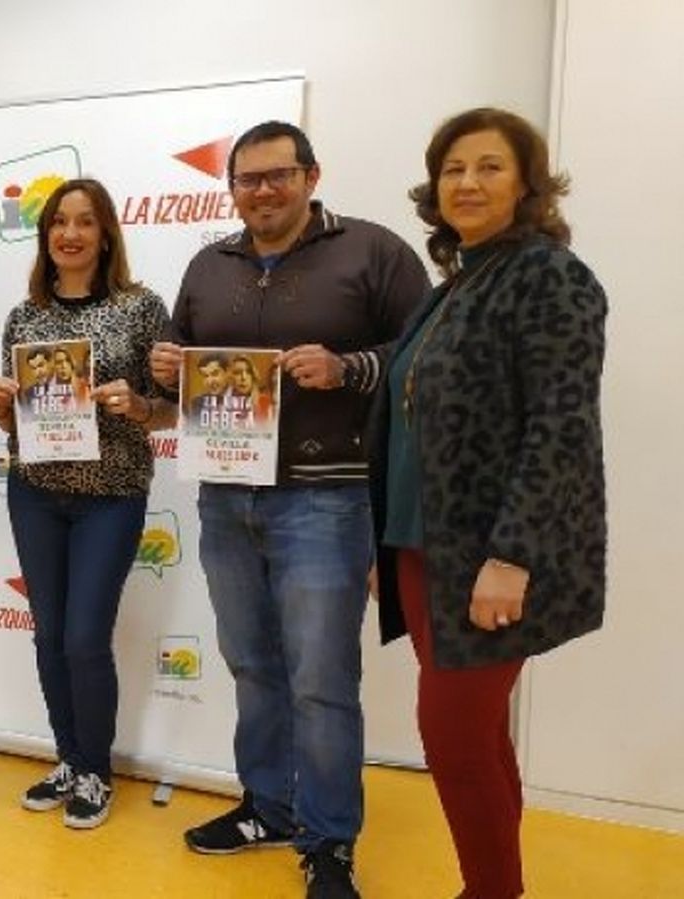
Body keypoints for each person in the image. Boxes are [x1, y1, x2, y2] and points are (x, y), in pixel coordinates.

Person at [149, 121, 429, 898]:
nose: (263, 191)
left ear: (311, 175)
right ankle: (267, 806)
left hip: (325, 498)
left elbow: (426, 355)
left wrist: (351, 367)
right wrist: (166, 364)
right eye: (248, 179)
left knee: (321, 679)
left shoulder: (372, 251)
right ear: (232, 187)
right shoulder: (210, 263)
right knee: (252, 664)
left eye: (279, 175)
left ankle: (330, 841)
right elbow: (181, 360)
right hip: (225, 494)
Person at [370, 107, 607, 899]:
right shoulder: (457, 284)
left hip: (488, 555)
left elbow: (561, 427)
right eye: (452, 169)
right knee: (474, 736)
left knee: (453, 733)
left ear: (528, 182)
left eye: (489, 166)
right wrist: (387, 545)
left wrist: (513, 556)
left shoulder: (548, 274)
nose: (466, 183)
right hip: (421, 546)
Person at [0, 178, 171, 828]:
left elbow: (174, 409)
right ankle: (68, 757)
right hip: (35, 491)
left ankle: (96, 768)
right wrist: (3, 410)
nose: (70, 233)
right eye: (59, 222)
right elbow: (21, 425)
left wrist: (140, 404)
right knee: (50, 634)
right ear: (45, 235)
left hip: (110, 494)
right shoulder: (24, 316)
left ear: (105, 232)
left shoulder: (142, 309)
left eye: (84, 222)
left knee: (86, 637)